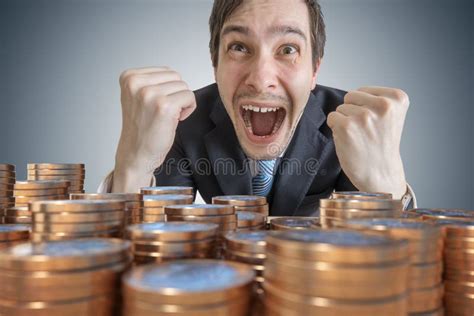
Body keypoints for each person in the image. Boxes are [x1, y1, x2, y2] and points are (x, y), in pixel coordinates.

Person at [100, 0, 416, 216]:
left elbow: (376, 253)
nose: (261, 79)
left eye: (288, 49)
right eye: (239, 47)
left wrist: (390, 189)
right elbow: (149, 242)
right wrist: (132, 164)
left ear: (314, 70)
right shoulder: (181, 121)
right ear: (215, 64)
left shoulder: (351, 127)